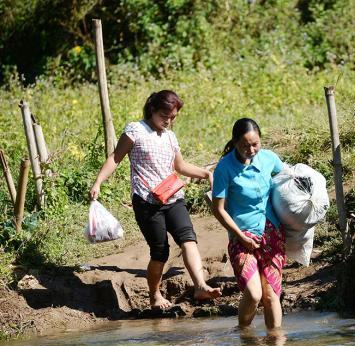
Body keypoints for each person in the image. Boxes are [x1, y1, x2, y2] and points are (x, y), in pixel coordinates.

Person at [90, 90, 221, 310]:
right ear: (152, 110)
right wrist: (98, 182)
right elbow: (116, 157)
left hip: (173, 197)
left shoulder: (170, 136)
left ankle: (200, 286)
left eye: (173, 117)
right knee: (160, 251)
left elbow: (179, 166)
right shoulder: (135, 130)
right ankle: (155, 296)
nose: (168, 121)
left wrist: (206, 173)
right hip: (147, 201)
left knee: (188, 238)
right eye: (164, 115)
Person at [211, 118, 286, 329]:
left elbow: (287, 178)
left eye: (255, 144)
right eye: (245, 145)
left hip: (271, 234)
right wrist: (240, 236)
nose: (251, 150)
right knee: (254, 294)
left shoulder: (269, 158)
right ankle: (243, 334)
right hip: (242, 237)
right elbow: (218, 209)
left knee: (271, 294)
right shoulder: (224, 168)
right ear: (234, 143)